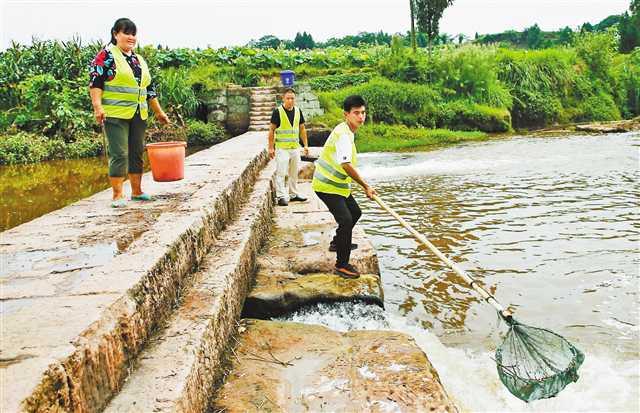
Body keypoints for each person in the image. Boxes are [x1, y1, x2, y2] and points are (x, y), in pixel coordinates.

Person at [89, 17, 170, 208]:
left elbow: (148, 89)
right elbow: (96, 82)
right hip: (115, 113)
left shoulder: (138, 59)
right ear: (116, 34)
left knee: (136, 153)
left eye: (134, 34)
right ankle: (117, 195)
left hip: (138, 114)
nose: (131, 37)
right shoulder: (106, 56)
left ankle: (137, 191)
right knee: (120, 153)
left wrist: (159, 112)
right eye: (126, 33)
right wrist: (97, 106)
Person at [312, 95, 377, 279]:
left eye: (363, 113)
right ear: (346, 114)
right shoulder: (343, 135)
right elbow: (346, 164)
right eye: (356, 113)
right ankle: (341, 265)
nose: (361, 117)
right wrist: (366, 186)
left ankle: (337, 242)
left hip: (337, 186)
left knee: (355, 213)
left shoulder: (348, 131)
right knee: (346, 220)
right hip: (326, 186)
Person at [268, 88, 310, 206]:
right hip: (282, 148)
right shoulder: (278, 112)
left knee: (294, 172)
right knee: (281, 172)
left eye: (292, 98)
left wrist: (305, 145)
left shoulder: (298, 111)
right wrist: (271, 148)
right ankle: (281, 196)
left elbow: (302, 129)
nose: (290, 101)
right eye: (288, 98)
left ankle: (293, 194)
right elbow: (271, 130)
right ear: (283, 99)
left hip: (295, 148)